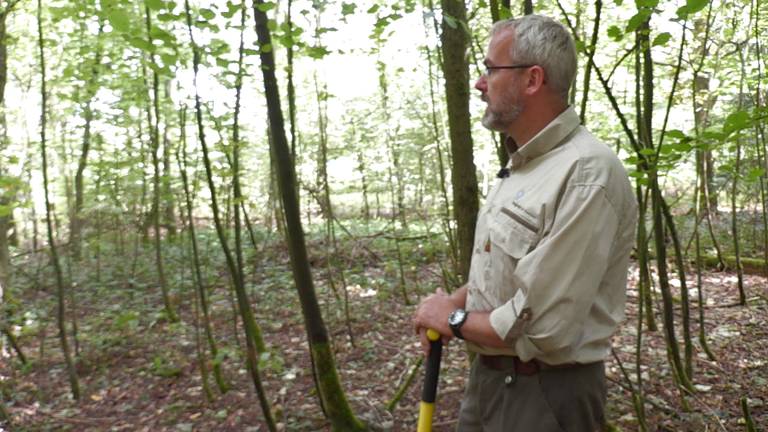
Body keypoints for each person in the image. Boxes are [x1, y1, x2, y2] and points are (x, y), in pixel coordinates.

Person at [412, 14, 637, 431]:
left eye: (491, 70)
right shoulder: (523, 166)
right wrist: (453, 305)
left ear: (532, 79)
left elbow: (544, 325)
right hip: (489, 381)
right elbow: (508, 275)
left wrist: (454, 321)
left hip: (545, 394)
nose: (480, 83)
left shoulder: (586, 174)